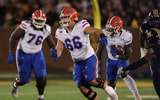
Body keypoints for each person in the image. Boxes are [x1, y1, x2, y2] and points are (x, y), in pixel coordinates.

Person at [51, 7, 118, 100]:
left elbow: (94, 30)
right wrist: (56, 54)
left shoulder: (81, 26)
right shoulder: (60, 31)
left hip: (89, 58)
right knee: (82, 87)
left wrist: (101, 35)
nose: (63, 20)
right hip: (77, 62)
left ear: (73, 17)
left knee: (91, 80)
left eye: (65, 17)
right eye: (62, 17)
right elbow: (59, 48)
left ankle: (108, 88)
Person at [7, 10, 57, 100]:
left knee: (41, 76)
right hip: (23, 53)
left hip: (37, 54)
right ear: (32, 19)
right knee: (24, 80)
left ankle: (40, 97)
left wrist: (53, 49)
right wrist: (11, 53)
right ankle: (15, 84)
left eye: (41, 21)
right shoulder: (26, 26)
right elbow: (13, 38)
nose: (39, 23)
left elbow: (50, 41)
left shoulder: (46, 29)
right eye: (37, 20)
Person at [118, 9, 160, 98]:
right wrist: (142, 49)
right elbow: (142, 38)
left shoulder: (154, 47)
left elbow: (141, 62)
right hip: (156, 57)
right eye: (154, 20)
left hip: (156, 54)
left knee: (157, 78)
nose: (156, 22)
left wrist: (125, 68)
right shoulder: (146, 28)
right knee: (156, 76)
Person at [96, 16, 141, 100]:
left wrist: (117, 55)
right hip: (110, 60)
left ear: (118, 28)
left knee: (123, 74)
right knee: (111, 83)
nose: (109, 31)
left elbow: (127, 55)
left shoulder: (126, 35)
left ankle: (137, 96)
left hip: (121, 60)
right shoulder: (104, 33)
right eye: (108, 28)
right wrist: (96, 62)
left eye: (111, 29)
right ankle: (112, 98)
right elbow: (99, 50)